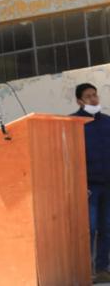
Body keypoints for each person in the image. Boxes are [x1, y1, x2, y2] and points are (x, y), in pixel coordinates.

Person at [72, 82, 110, 281]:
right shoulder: (73, 123)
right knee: (89, 228)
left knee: (106, 228)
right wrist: (80, 184)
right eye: (88, 96)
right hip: (88, 187)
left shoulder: (107, 121)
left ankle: (103, 269)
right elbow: (70, 157)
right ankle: (86, 270)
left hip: (108, 185)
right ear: (79, 101)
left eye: (95, 95)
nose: (94, 99)